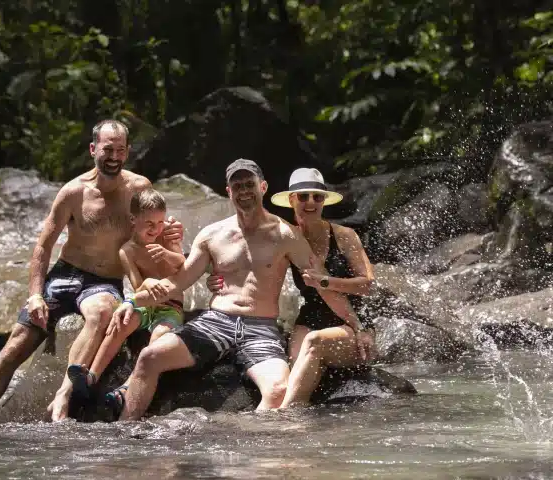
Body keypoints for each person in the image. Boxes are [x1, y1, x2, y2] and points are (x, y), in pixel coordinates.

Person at [0, 119, 182, 429]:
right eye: (107, 149)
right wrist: (36, 294)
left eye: (120, 149)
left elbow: (153, 229)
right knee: (14, 347)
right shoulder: (73, 192)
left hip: (104, 281)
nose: (114, 156)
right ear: (93, 150)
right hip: (63, 276)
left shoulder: (139, 188)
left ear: (128, 151)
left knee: (103, 310)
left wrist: (171, 237)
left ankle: (63, 396)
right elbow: (42, 247)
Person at [108, 159, 368, 420]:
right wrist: (131, 302)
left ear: (263, 187)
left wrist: (356, 326)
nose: (244, 190)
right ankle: (125, 431)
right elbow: (177, 282)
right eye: (237, 185)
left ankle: (250, 453)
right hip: (215, 322)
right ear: (228, 192)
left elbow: (321, 285)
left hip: (261, 329)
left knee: (278, 390)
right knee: (150, 357)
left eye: (249, 184)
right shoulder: (212, 234)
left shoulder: (286, 235)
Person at [208, 167, 375, 408]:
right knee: (292, 371)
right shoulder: (287, 237)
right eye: (303, 196)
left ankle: (282, 419)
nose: (310, 202)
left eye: (317, 197)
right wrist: (214, 280)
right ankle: (296, 424)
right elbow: (252, 270)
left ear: (324, 201)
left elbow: (367, 285)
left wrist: (325, 281)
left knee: (314, 343)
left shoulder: (345, 236)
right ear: (291, 200)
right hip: (309, 319)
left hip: (351, 321)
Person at [63, 188, 186, 410]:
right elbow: (138, 286)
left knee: (159, 335)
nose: (155, 228)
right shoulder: (127, 250)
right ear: (133, 219)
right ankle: (91, 375)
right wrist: (146, 285)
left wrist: (168, 253)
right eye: (149, 223)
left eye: (159, 222)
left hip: (171, 306)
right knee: (120, 323)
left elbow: (185, 267)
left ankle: (127, 388)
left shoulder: (166, 236)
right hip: (146, 304)